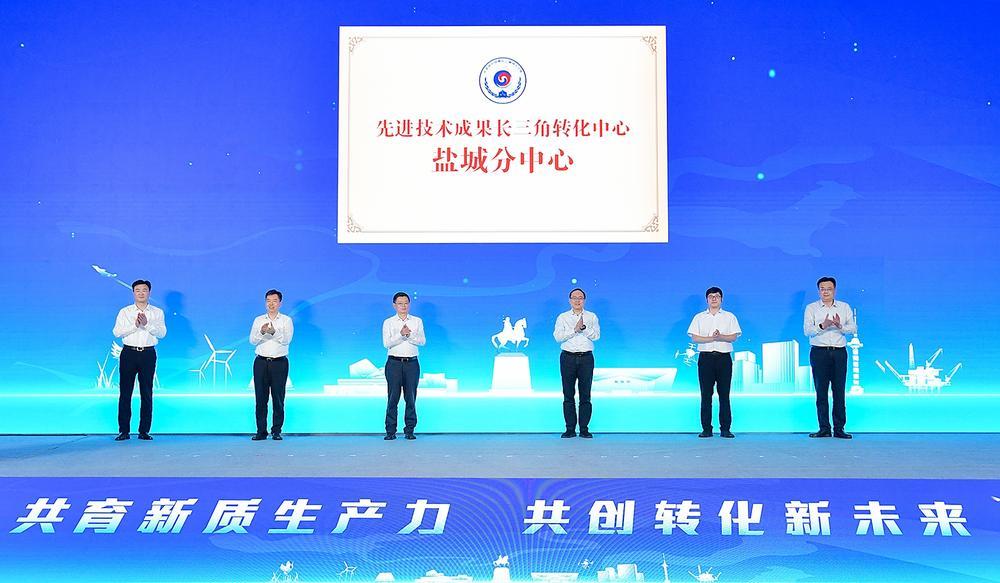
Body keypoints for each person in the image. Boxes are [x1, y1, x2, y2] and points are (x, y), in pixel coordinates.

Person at [112, 279, 167, 441]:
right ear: (133, 292)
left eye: (144, 290)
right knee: (125, 392)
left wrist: (147, 324)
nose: (141, 293)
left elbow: (162, 333)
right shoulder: (125, 312)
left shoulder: (157, 312)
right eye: (138, 290)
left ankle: (144, 431)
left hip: (148, 354)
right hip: (128, 353)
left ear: (149, 292)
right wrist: (135, 325)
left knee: (146, 392)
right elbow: (117, 332)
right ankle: (124, 431)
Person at [804, 276, 857, 439]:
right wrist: (823, 325)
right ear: (818, 291)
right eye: (822, 289)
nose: (825, 292)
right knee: (821, 391)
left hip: (839, 352)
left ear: (834, 290)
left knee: (839, 391)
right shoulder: (812, 308)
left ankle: (839, 428)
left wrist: (840, 326)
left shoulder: (844, 307)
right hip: (819, 352)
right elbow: (807, 330)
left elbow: (853, 328)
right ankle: (824, 428)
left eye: (829, 289)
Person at [687, 286, 741, 438]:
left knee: (724, 394)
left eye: (717, 296)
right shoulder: (699, 317)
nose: (714, 298)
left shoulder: (729, 317)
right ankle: (706, 429)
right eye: (711, 296)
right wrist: (712, 338)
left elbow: (734, 337)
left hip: (724, 359)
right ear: (707, 299)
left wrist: (721, 336)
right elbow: (695, 338)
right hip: (706, 359)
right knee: (706, 395)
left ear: (721, 299)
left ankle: (725, 429)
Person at [553, 288, 601, 438]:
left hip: (586, 358)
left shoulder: (591, 316)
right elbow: (558, 337)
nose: (577, 300)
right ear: (570, 300)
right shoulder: (562, 317)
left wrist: (584, 329)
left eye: (580, 297)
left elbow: (596, 336)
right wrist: (575, 330)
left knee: (585, 395)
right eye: (574, 297)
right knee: (568, 394)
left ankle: (584, 429)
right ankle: (570, 429)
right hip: (567, 358)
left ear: (584, 300)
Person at [249, 289, 294, 441]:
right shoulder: (258, 320)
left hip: (279, 363)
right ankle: (261, 431)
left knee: (278, 398)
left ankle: (276, 431)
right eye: (268, 301)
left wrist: (274, 332)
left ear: (280, 303)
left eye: (274, 301)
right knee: (260, 399)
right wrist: (261, 333)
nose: (271, 304)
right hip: (261, 362)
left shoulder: (286, 320)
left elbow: (286, 340)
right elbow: (252, 341)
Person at [382, 292, 425, 440]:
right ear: (394, 305)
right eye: (400, 303)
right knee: (392, 398)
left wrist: (409, 335)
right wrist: (401, 335)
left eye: (406, 303)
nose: (403, 306)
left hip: (412, 364)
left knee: (411, 398)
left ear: (409, 304)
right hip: (393, 363)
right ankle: (390, 431)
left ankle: (409, 430)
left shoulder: (417, 321)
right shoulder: (388, 322)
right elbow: (386, 343)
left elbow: (422, 341)